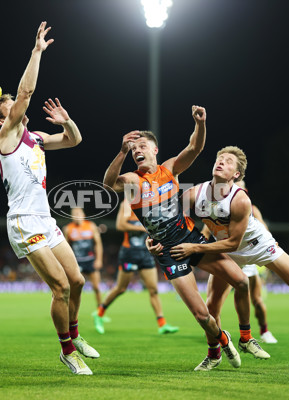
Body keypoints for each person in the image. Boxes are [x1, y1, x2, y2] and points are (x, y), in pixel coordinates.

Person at [153, 146, 289, 365]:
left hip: (259, 246)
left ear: (236, 174)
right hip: (227, 252)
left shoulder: (240, 200)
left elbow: (234, 242)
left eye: (228, 161)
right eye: (219, 158)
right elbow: (171, 222)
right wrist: (156, 240)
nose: (221, 162)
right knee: (212, 306)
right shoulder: (195, 193)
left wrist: (195, 248)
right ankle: (214, 354)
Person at [103, 107, 255, 372]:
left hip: (191, 238)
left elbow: (194, 148)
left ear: (154, 150)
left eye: (142, 145)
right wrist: (122, 151)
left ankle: (245, 336)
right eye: (134, 147)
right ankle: (220, 343)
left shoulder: (169, 169)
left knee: (241, 281)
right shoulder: (132, 180)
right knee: (201, 315)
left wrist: (200, 123)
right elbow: (107, 185)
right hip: (168, 252)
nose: (137, 149)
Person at [0, 21, 98, 375]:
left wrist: (67, 122)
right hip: (22, 222)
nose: (16, 105)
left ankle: (75, 335)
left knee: (78, 282)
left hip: (45, 220)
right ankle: (67, 351)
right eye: (10, 105)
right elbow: (25, 94)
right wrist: (36, 52)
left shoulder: (33, 136)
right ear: (3, 117)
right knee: (61, 287)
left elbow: (73, 141)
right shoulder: (7, 136)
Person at [201, 180, 278, 344]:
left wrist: (271, 241)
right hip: (229, 258)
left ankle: (264, 330)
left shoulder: (250, 207)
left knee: (256, 300)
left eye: (240, 187)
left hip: (249, 255)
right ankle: (217, 336)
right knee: (215, 303)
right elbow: (205, 232)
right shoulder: (216, 209)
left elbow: (263, 228)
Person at [93, 198, 179, 335]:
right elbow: (120, 225)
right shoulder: (126, 204)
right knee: (120, 288)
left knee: (153, 290)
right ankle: (99, 313)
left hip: (145, 252)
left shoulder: (150, 204)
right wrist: (141, 227)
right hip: (129, 252)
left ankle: (162, 324)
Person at [63, 208, 104, 308]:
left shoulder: (91, 226)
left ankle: (100, 312)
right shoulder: (68, 228)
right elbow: (65, 247)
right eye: (74, 214)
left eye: (78, 213)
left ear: (83, 214)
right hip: (76, 261)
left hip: (90, 260)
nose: (76, 216)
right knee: (73, 288)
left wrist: (99, 259)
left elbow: (98, 244)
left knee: (96, 287)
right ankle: (71, 310)